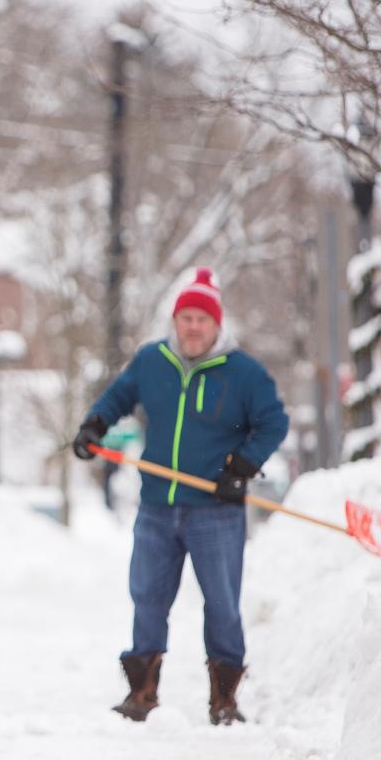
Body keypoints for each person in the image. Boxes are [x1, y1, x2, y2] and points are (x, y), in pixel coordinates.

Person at [73, 268, 289, 726]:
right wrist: (94, 426)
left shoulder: (243, 372)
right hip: (156, 506)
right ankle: (141, 694)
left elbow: (273, 422)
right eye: (185, 318)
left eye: (201, 319)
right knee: (147, 596)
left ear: (216, 324)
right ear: (176, 321)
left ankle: (225, 701)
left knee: (222, 603)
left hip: (216, 511)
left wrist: (242, 467)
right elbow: (117, 397)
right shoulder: (152, 361)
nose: (193, 327)